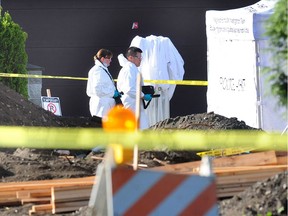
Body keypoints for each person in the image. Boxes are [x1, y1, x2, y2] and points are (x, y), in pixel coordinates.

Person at [117, 46, 152, 130]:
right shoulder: (129, 69)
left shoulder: (131, 68)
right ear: (130, 57)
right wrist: (143, 95)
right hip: (132, 105)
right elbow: (129, 89)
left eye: (141, 57)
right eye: (138, 57)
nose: (140, 59)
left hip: (134, 104)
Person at [86, 48, 122, 119]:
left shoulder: (102, 69)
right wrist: (112, 93)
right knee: (101, 127)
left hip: (104, 105)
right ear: (102, 59)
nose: (110, 61)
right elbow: (98, 89)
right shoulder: (98, 70)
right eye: (109, 58)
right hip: (101, 107)